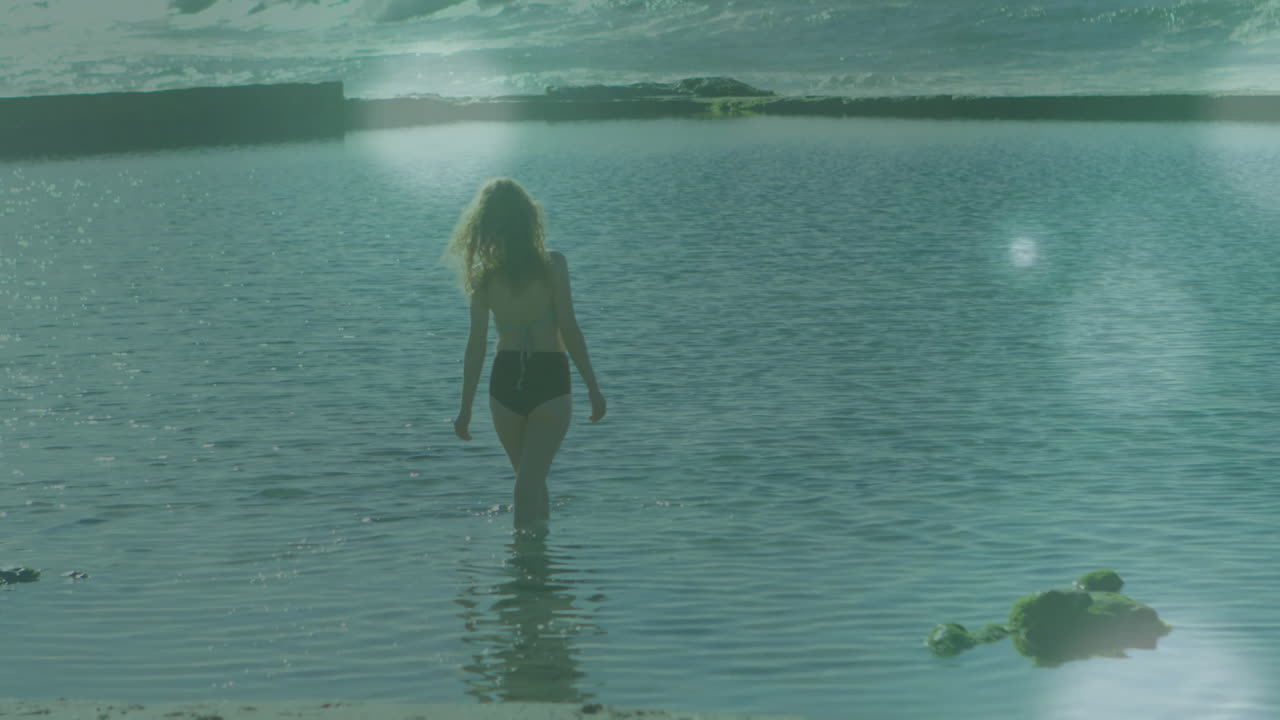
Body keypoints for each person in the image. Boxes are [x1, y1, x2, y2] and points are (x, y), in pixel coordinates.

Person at [448, 177, 606, 533]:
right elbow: (475, 344)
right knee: (531, 481)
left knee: (527, 484)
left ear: (484, 225)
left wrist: (594, 388)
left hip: (524, 379)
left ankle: (528, 572)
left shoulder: (548, 266)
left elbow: (569, 327)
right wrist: (464, 408)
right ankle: (538, 570)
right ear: (528, 219)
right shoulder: (488, 278)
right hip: (523, 380)